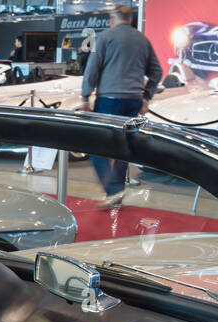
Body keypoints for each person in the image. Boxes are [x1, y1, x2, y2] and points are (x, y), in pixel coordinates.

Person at [79, 5, 161, 205]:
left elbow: (92, 69)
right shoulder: (143, 40)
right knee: (124, 146)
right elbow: (157, 72)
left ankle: (113, 189)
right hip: (133, 100)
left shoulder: (105, 37)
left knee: (94, 144)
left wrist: (85, 97)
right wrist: (146, 97)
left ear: (112, 18)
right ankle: (117, 190)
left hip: (109, 99)